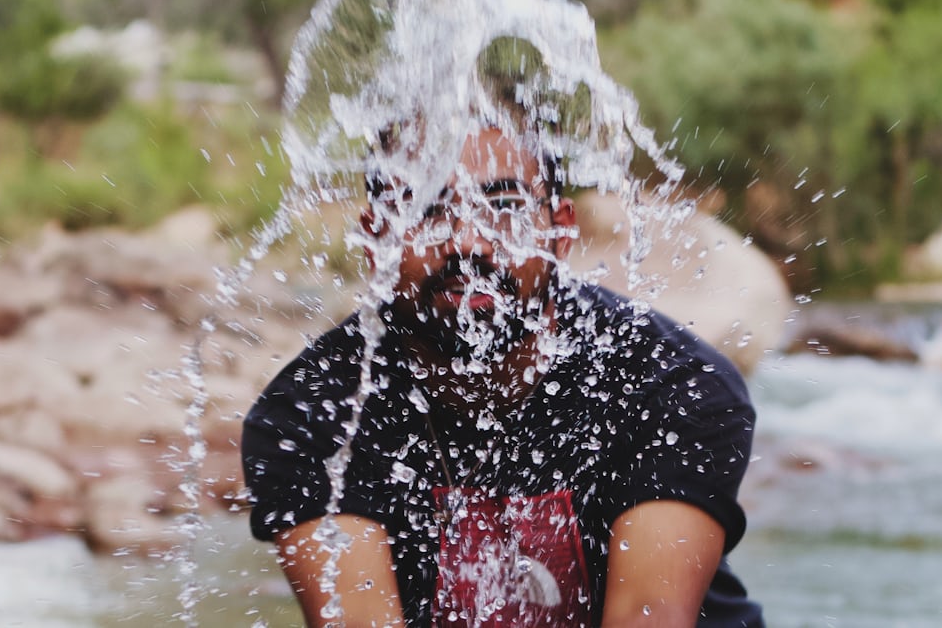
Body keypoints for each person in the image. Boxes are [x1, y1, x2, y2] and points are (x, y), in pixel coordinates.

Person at [242, 121, 764, 627]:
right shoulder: (316, 411)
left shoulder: (667, 382)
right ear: (376, 235)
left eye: (506, 206)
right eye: (425, 208)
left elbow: (647, 618)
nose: (468, 242)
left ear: (559, 231)